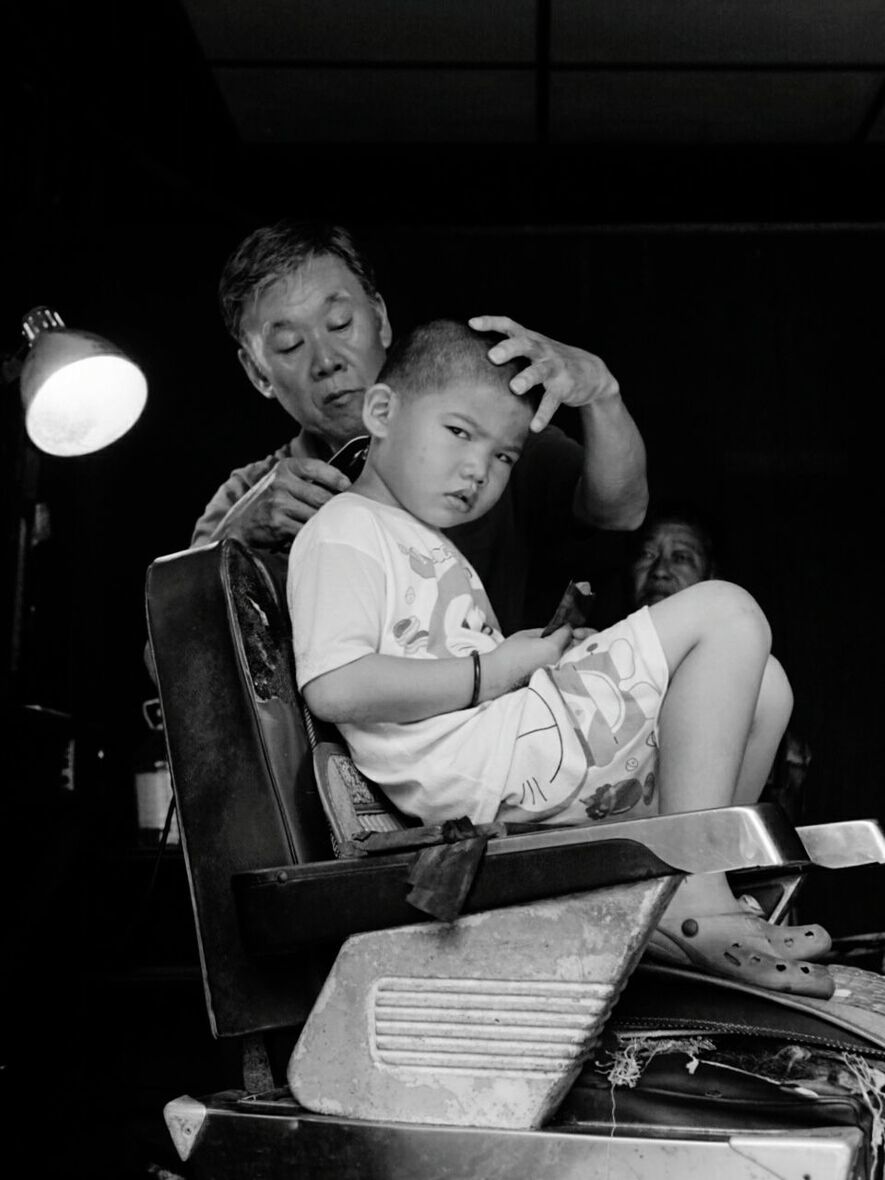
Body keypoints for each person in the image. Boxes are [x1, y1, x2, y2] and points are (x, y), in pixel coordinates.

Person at [287, 319, 833, 1000]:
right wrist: (496, 671)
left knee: (766, 686)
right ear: (382, 412)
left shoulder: (414, 537)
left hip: (505, 748)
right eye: (459, 432)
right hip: (479, 769)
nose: (476, 470)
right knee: (724, 610)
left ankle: (680, 881)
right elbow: (334, 688)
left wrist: (537, 663)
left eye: (503, 457)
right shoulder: (342, 530)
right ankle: (697, 888)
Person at [190, 220, 648, 634]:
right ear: (257, 373)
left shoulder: (483, 438)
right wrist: (234, 542)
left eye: (340, 323)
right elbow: (176, 661)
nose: (326, 361)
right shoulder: (247, 497)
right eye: (289, 345)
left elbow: (620, 511)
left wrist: (602, 395)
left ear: (381, 320)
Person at [626, 506, 812, 824]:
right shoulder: (598, 662)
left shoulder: (755, 696)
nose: (659, 570)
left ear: (712, 579)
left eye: (681, 557)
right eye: (647, 554)